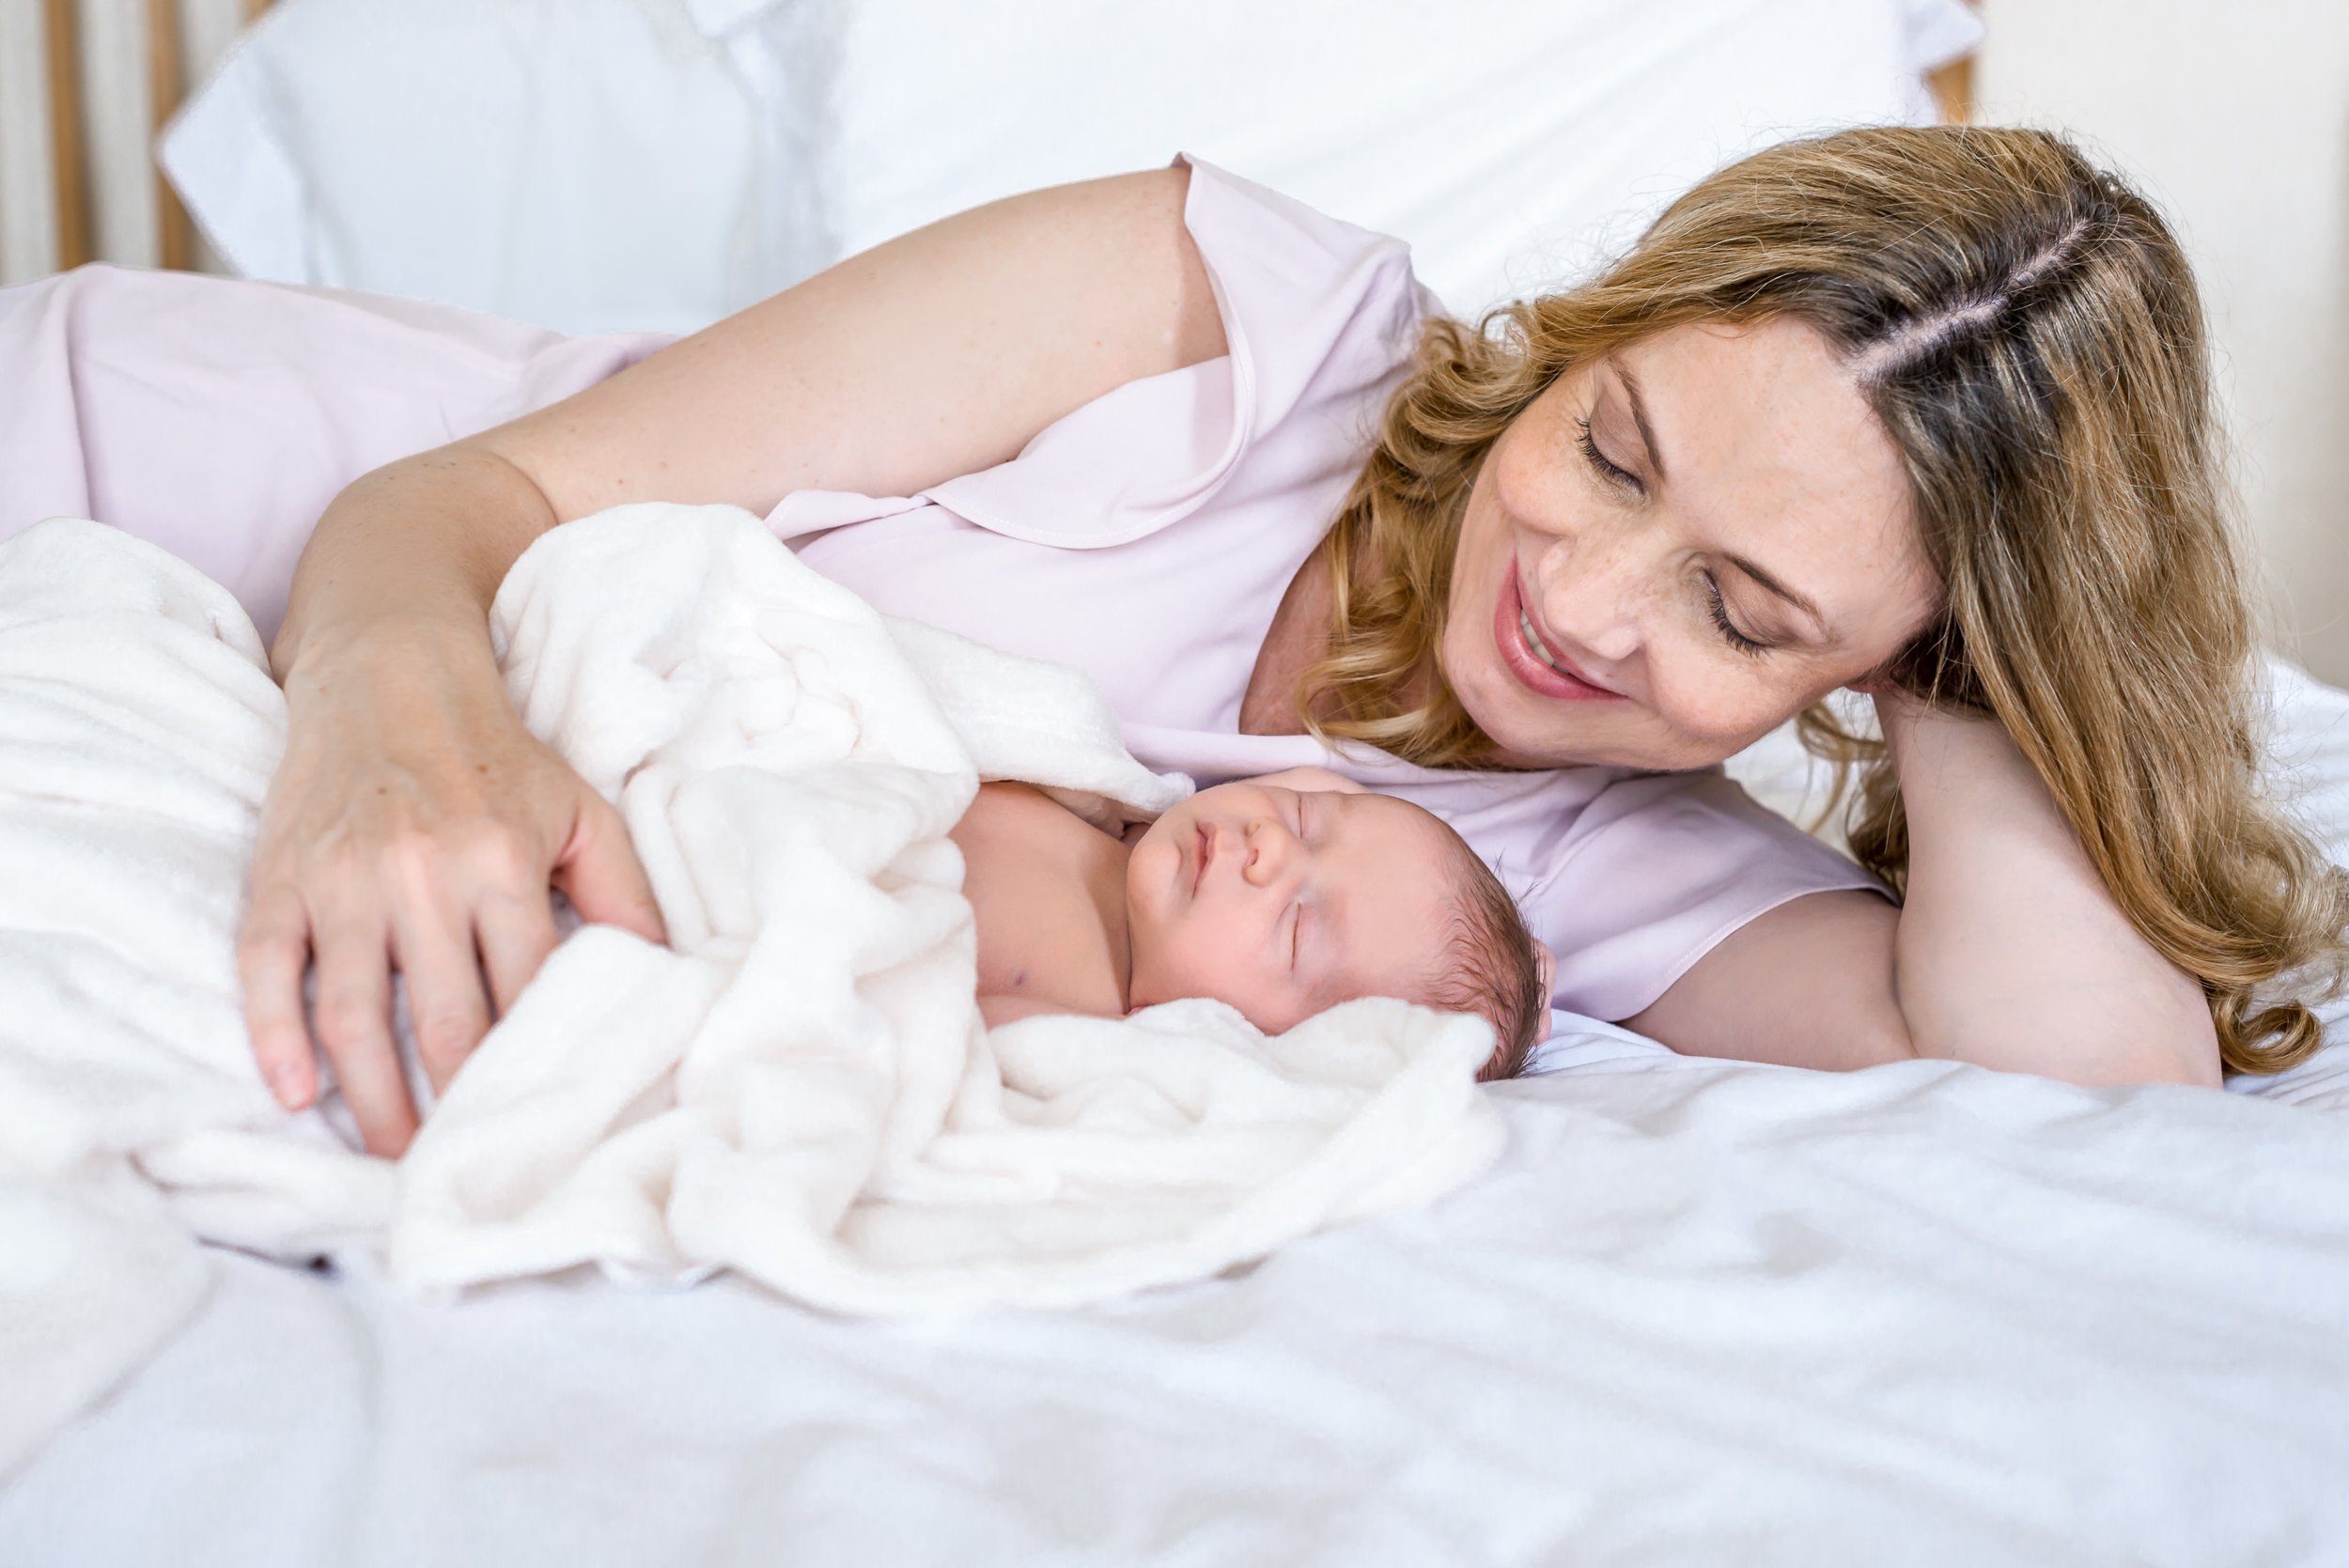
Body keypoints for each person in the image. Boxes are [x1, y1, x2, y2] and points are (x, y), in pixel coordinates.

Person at [176, 125, 2343, 1156]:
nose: (1581, 604)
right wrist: (382, 708)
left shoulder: (1607, 870)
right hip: (180, 472)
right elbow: (487, 496)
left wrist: (1975, 654)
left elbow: (2096, 1096)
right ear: (1598, 330)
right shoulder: (1235, 317)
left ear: (1874, 667)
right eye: (1612, 450)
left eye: (1740, 606)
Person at [956, 768, 1548, 1079]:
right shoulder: (1125, 831)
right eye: (1302, 817)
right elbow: (1332, 792)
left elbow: (923, 1047)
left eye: (1296, 925)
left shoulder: (1090, 1034)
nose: (1272, 847)